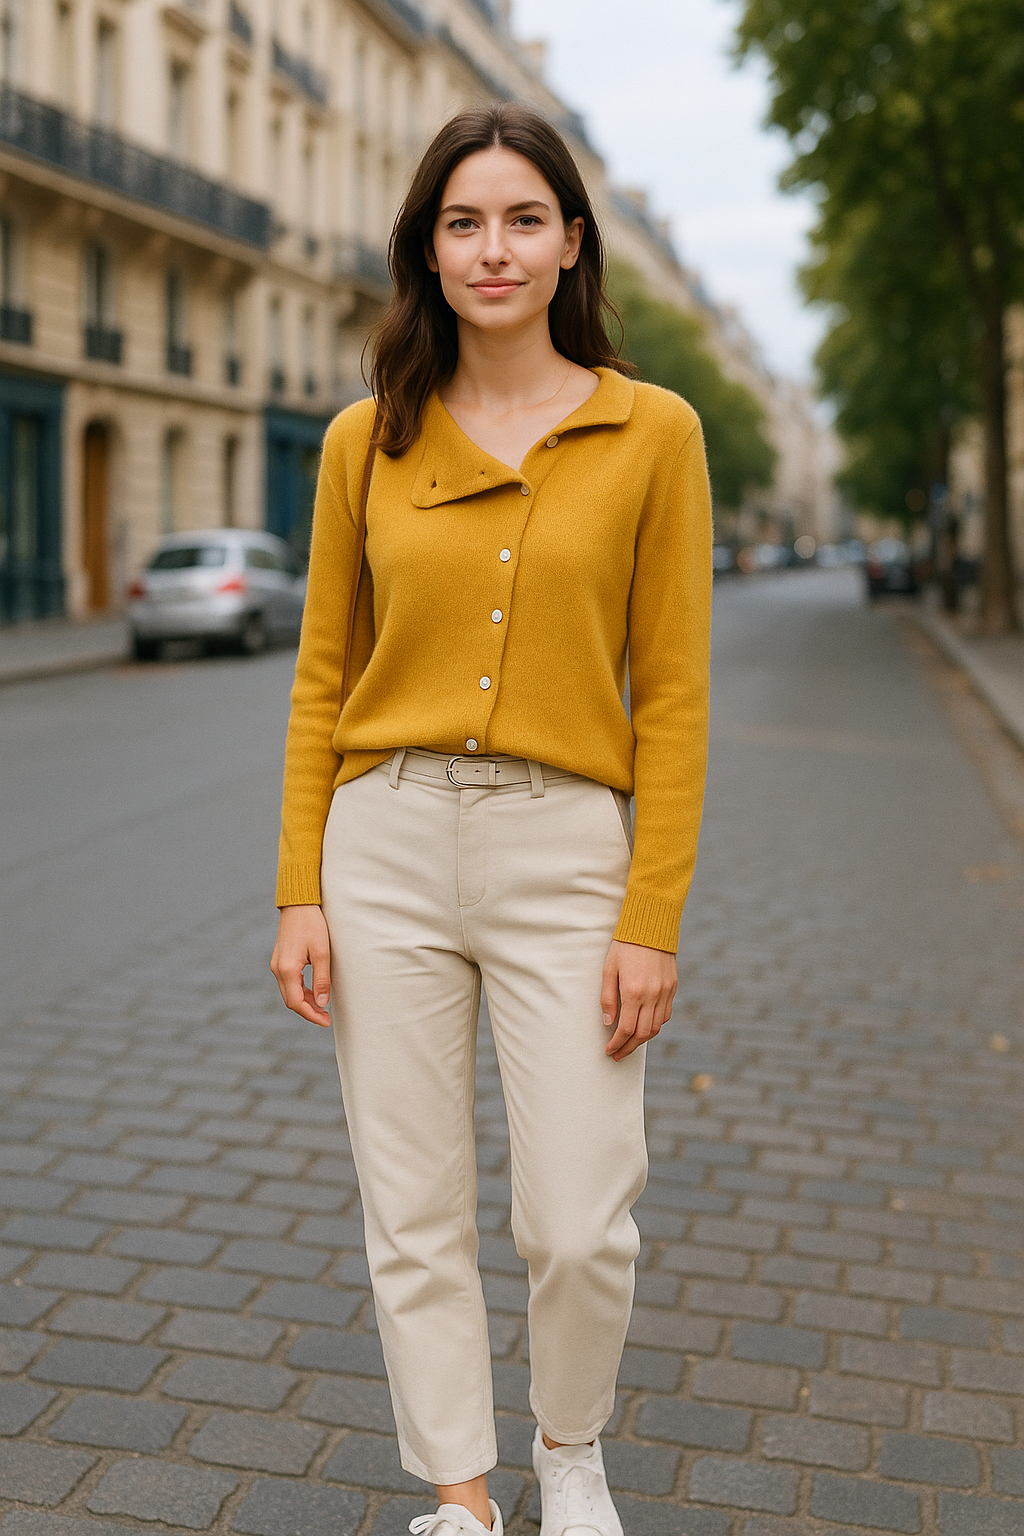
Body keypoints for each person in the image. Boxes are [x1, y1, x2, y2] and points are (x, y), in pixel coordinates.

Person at [271, 104, 712, 1536]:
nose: (494, 249)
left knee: (580, 1219)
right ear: (428, 249)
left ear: (572, 242)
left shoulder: (655, 433)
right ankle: (460, 1498)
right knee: (411, 1208)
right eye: (463, 222)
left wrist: (651, 916)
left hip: (565, 848)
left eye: (524, 219)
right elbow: (322, 676)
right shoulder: (365, 440)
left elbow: (675, 699)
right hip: (384, 843)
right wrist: (299, 887)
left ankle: (568, 1451)